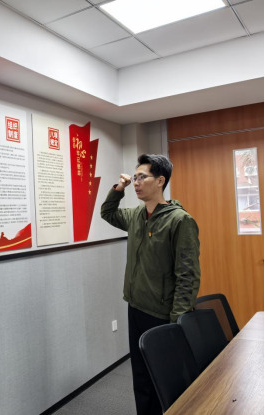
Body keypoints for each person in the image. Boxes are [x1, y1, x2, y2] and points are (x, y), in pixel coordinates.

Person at [101, 154, 200, 415]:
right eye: (134, 177)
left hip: (162, 314)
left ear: (160, 181)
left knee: (165, 378)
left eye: (141, 177)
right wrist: (118, 188)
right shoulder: (135, 215)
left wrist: (177, 320)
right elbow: (107, 213)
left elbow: (188, 275)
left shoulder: (180, 220)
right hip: (136, 307)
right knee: (141, 376)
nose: (136, 182)